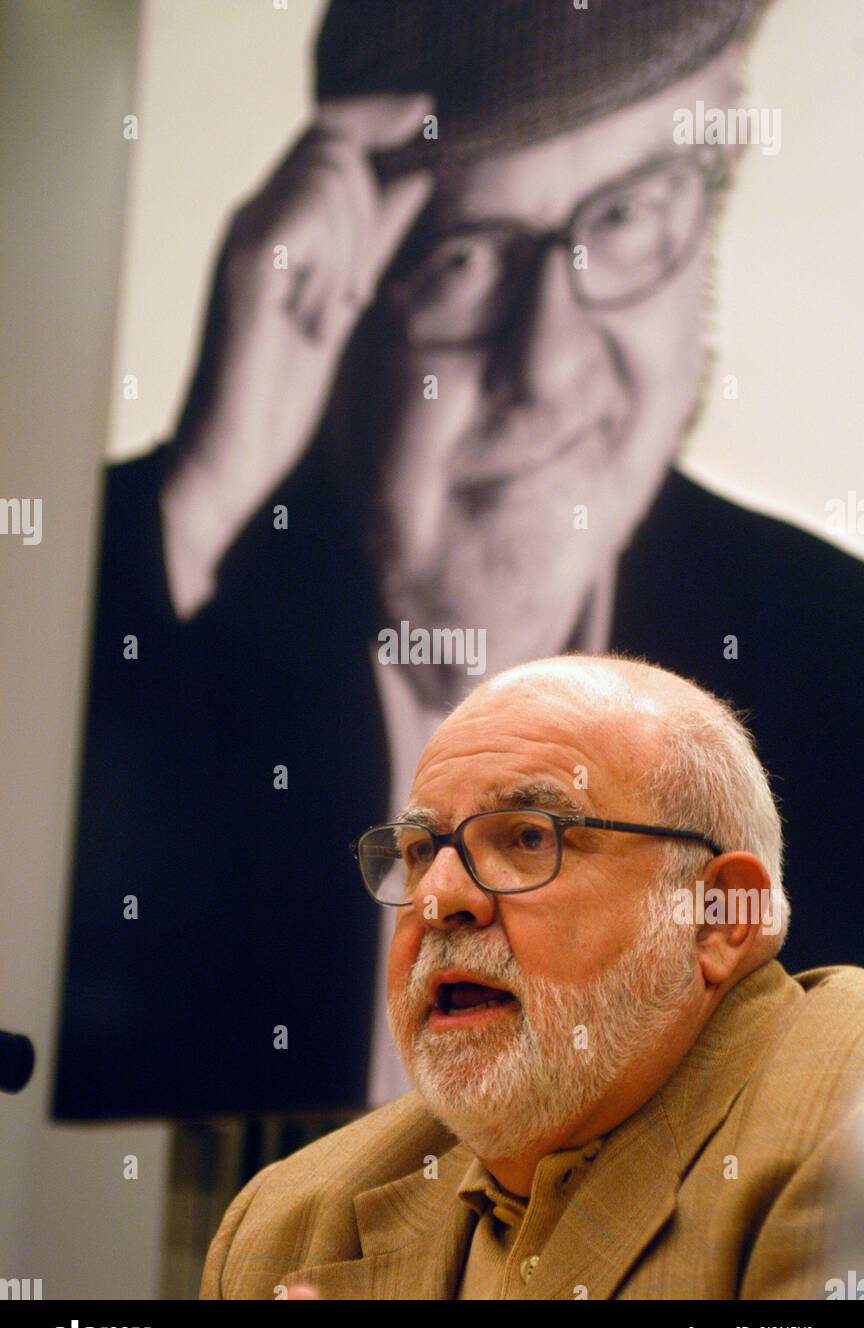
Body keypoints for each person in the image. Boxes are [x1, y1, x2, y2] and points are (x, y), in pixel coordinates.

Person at [54, 0, 864, 1122]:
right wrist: (201, 491)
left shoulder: (838, 652)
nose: (546, 362)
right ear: (334, 306)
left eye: (626, 214)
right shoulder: (172, 598)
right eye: (464, 259)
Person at [199, 653, 864, 1300]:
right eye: (421, 851)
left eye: (529, 838)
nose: (438, 897)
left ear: (717, 917)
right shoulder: (284, 1230)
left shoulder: (838, 1125)